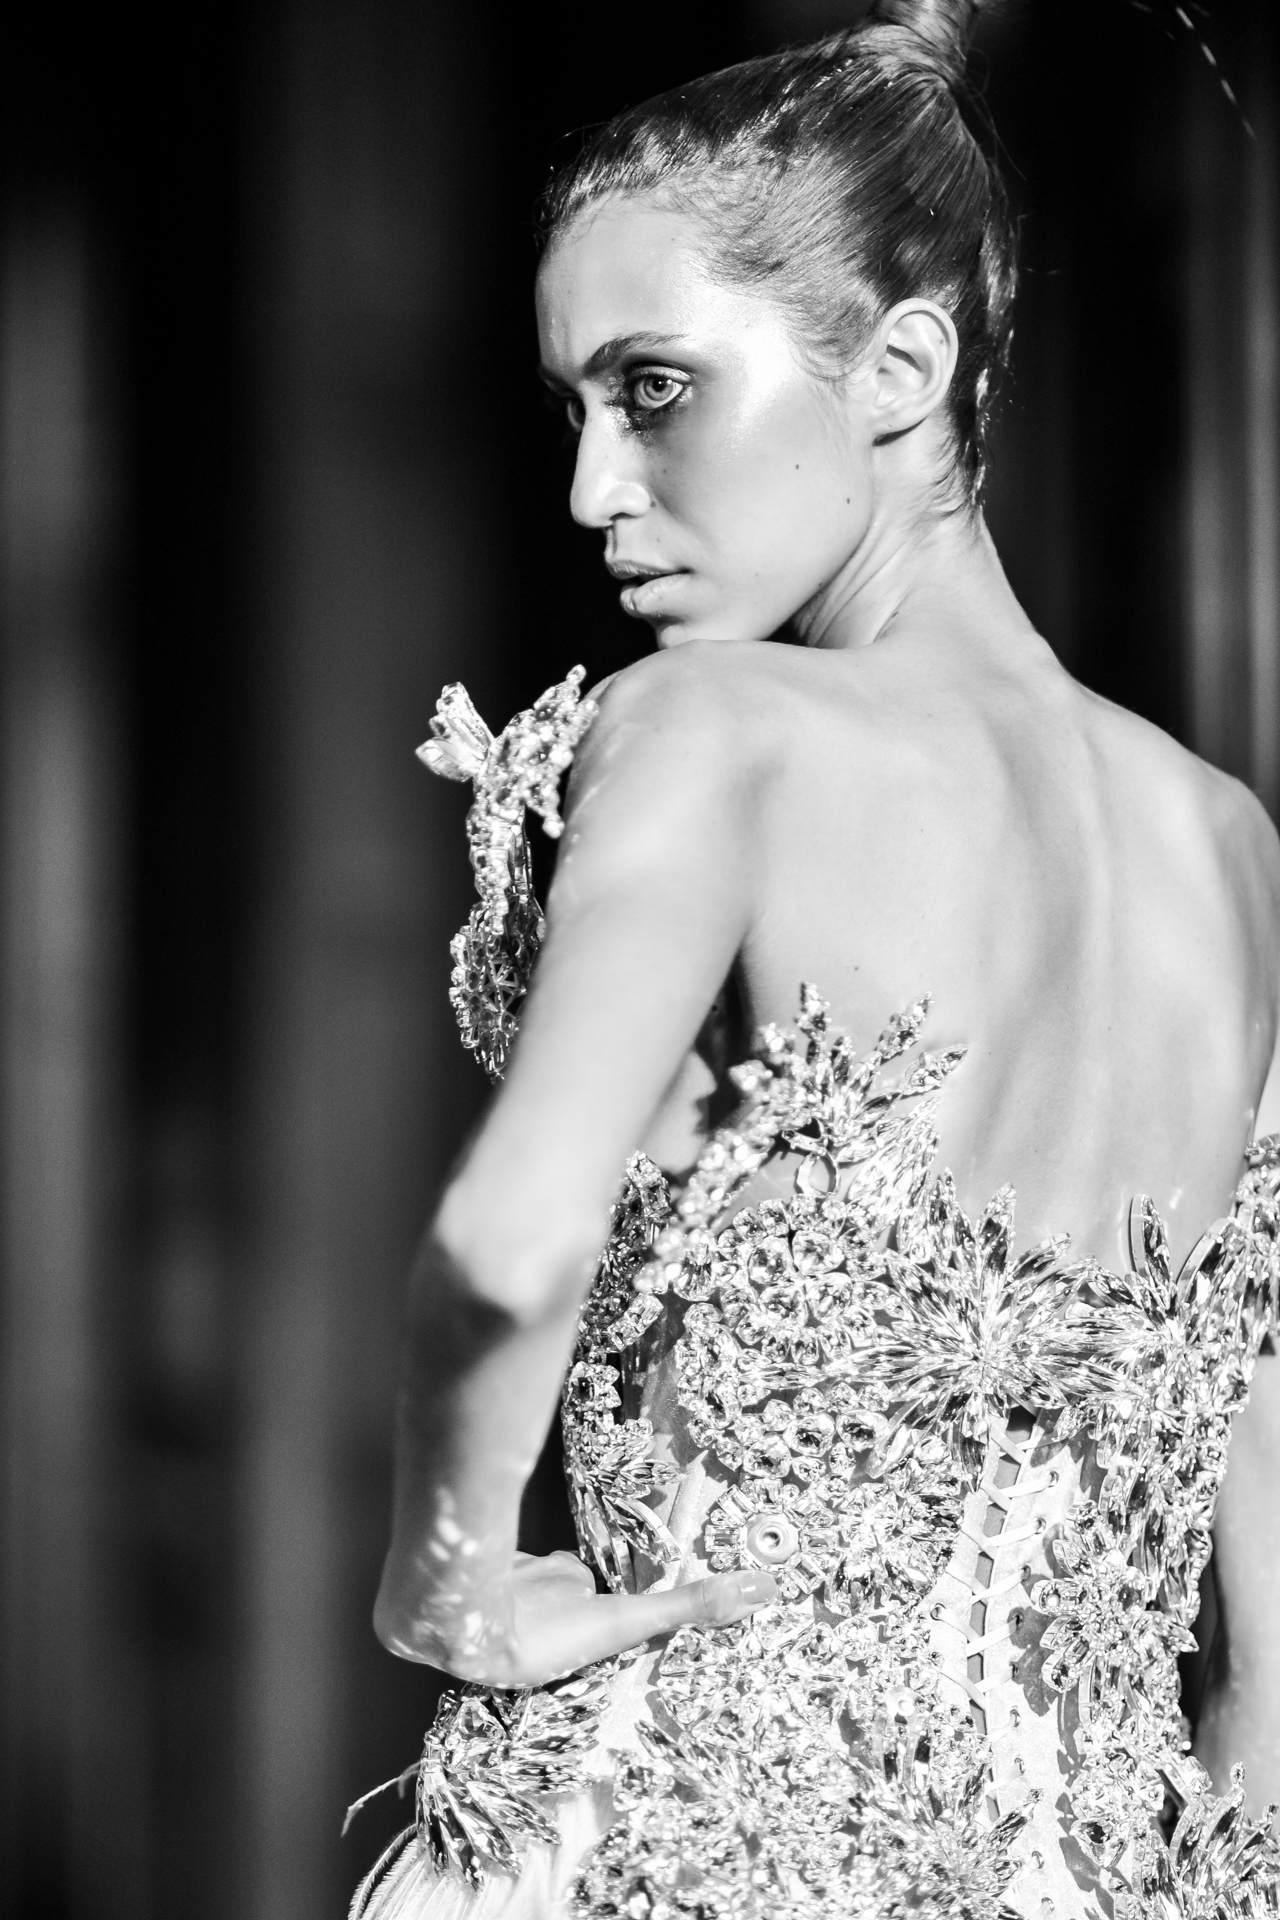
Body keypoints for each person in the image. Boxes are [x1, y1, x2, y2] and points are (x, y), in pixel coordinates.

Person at [350, 3, 1280, 1915]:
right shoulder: (1227, 846)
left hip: (664, 1843)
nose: (594, 489)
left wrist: (445, 1576)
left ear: (903, 367)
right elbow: (1267, 1646)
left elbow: (506, 1246)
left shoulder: (714, 734)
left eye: (655, 390)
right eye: (577, 410)